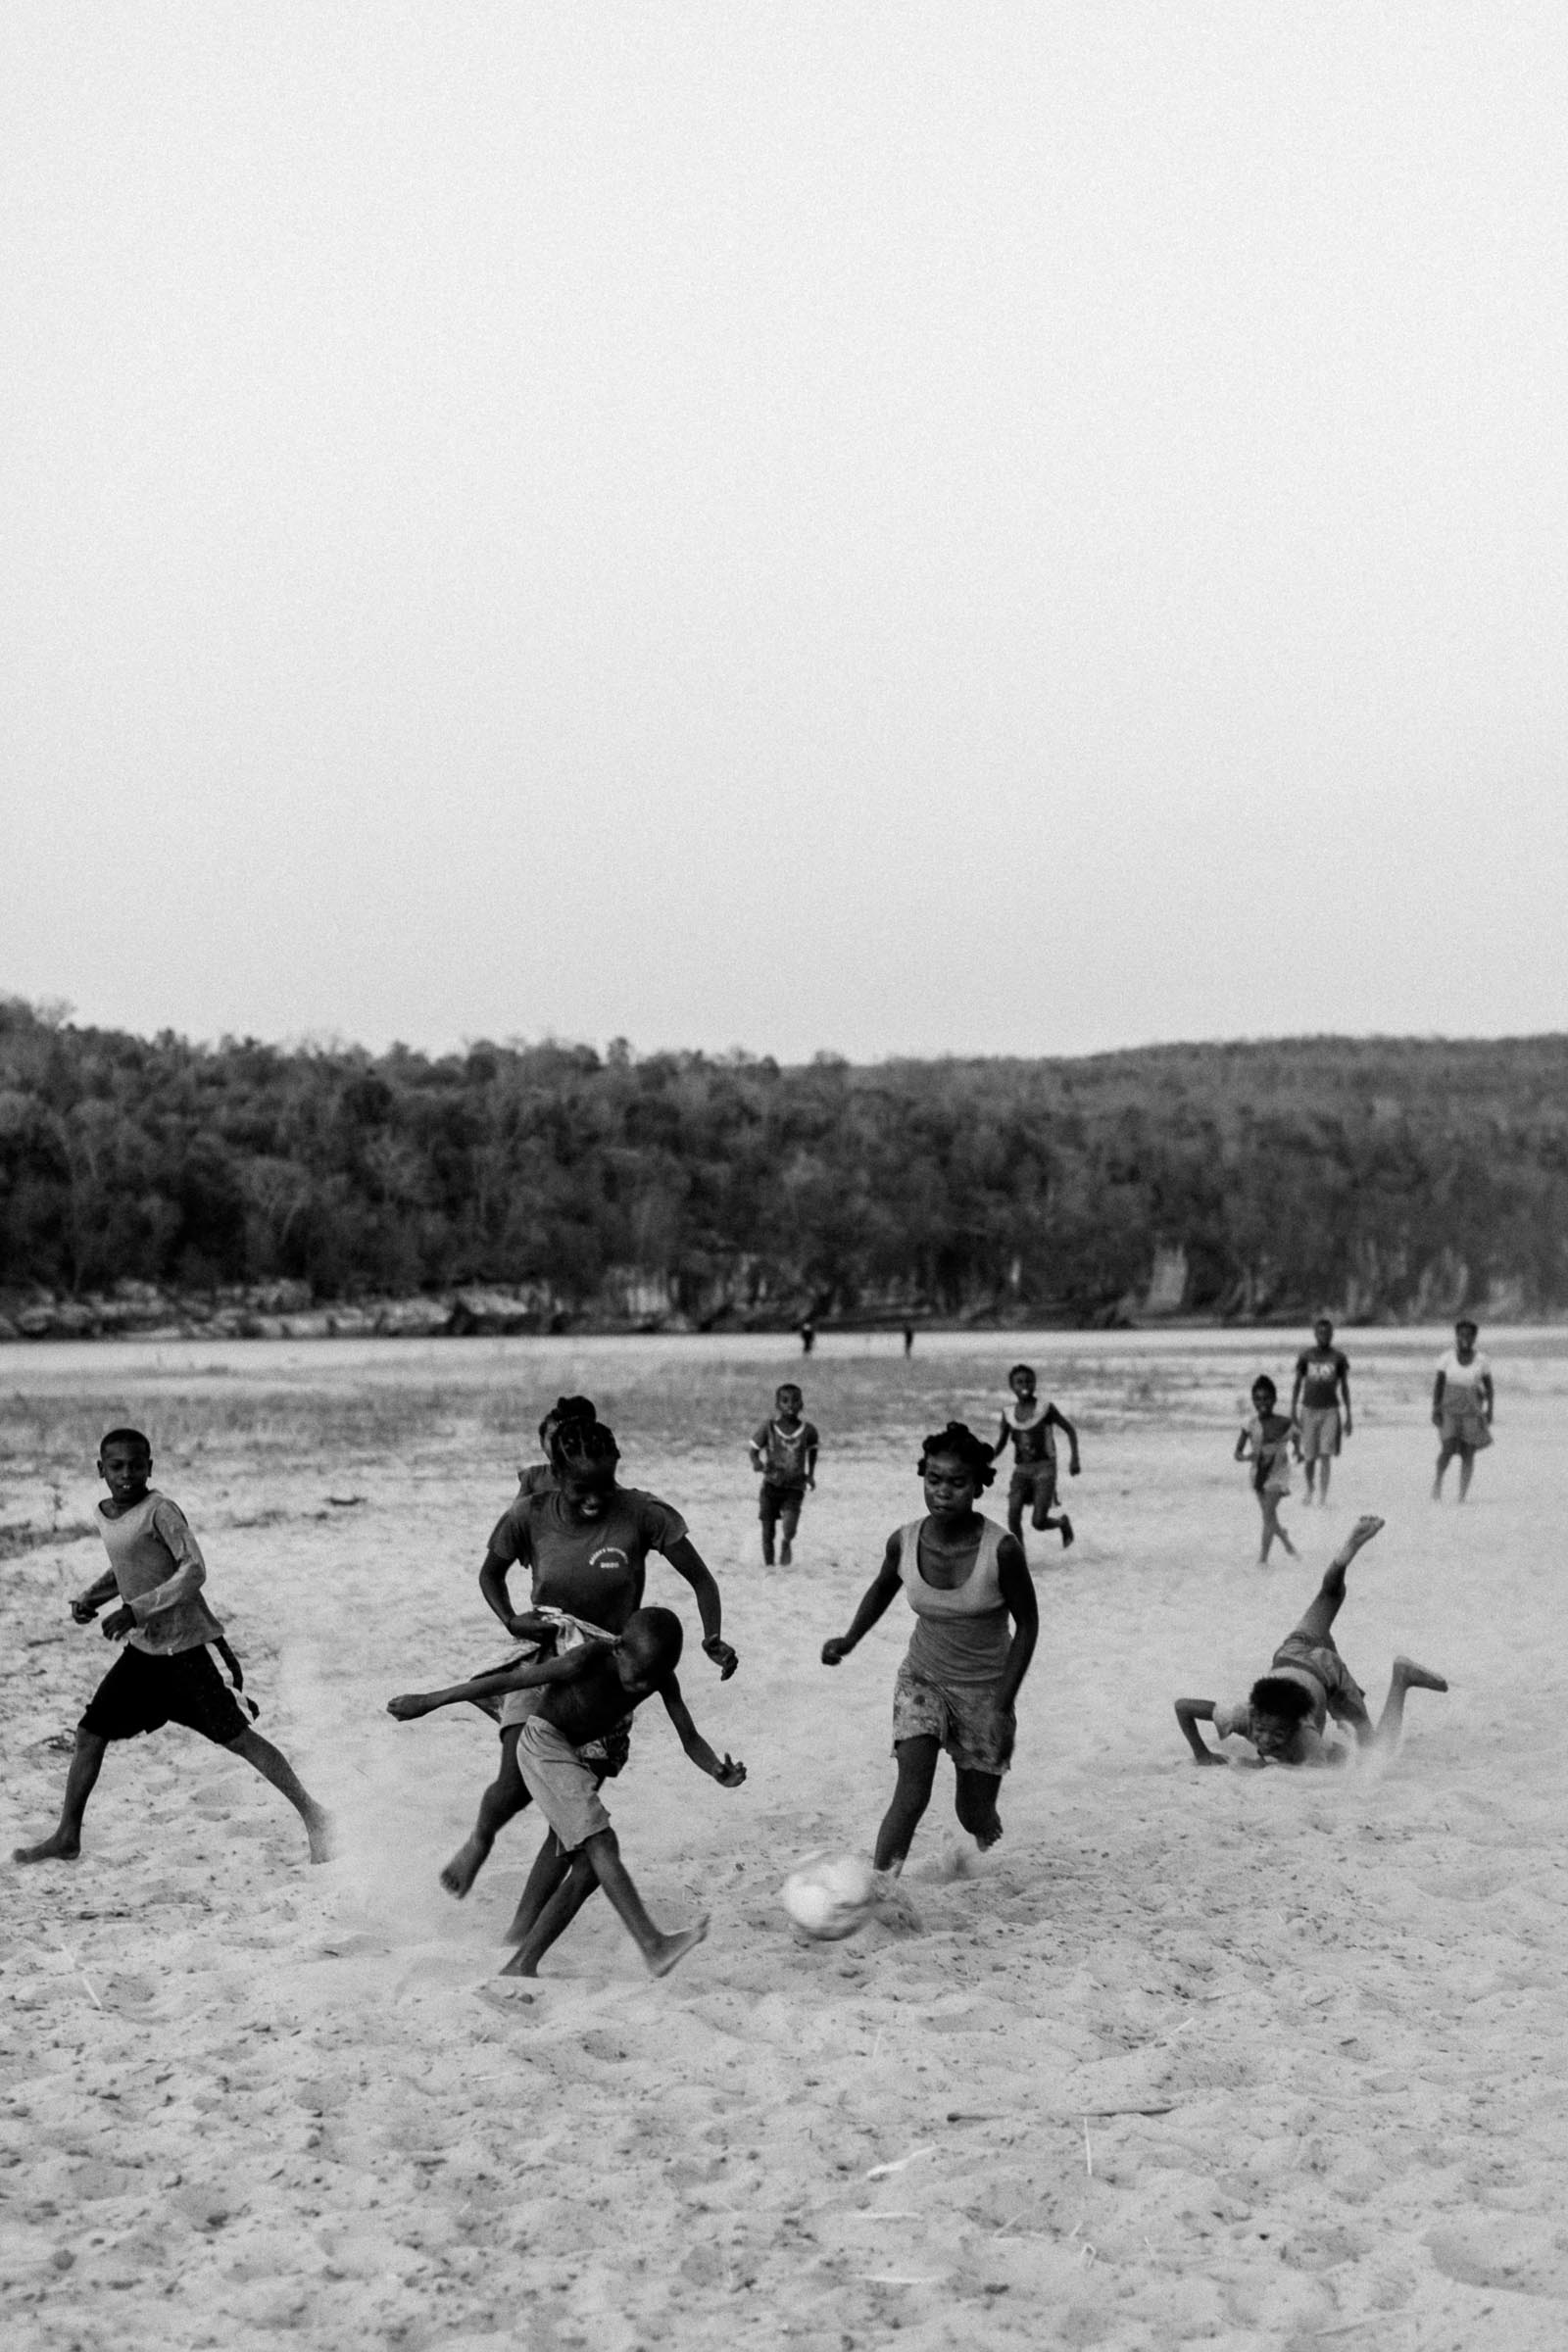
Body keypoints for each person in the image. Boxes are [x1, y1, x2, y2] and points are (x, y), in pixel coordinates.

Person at [395, 1418, 737, 1908]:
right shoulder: (529, 1514)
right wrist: (512, 1620)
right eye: (581, 1489)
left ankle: (523, 1927)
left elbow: (702, 1580)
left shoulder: (643, 1512)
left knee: (571, 1817)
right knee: (514, 1781)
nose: (595, 1500)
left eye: (605, 1486)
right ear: (555, 1473)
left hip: (612, 1669)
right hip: (545, 1653)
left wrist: (713, 1637)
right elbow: (490, 1574)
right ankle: (481, 1838)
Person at [13, 1429, 331, 1867]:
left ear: (150, 1467)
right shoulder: (106, 1512)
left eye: (136, 1465)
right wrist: (91, 1598)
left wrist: (136, 1610)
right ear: (100, 1469)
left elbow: (193, 1569)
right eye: (117, 1466)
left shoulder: (161, 1510)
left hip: (184, 1653)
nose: (127, 1475)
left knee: (239, 1739)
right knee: (90, 1734)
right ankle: (67, 1836)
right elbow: (129, 1564)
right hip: (144, 1655)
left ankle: (316, 1817)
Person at [468, 1607, 745, 1980]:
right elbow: (510, 1683)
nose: (642, 1687)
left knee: (588, 1868)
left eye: (653, 1680)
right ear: (619, 1649)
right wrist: (431, 1701)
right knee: (601, 1846)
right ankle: (653, 1945)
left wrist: (716, 1769)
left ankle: (522, 1963)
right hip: (542, 1747)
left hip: (568, 1752)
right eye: (638, 1677)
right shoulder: (586, 1659)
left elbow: (689, 1737)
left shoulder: (655, 1674)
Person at [820, 1421, 1038, 1873]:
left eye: (957, 1483)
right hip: (922, 1680)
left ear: (979, 1486)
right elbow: (882, 1587)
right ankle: (881, 1888)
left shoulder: (1003, 1550)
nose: (942, 1492)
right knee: (911, 1793)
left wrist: (1002, 1706)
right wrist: (850, 1638)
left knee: (972, 1813)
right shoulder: (904, 1540)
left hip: (986, 1692)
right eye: (933, 1480)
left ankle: (984, 1824)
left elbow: (1029, 1625)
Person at [1174, 1514, 1446, 1766]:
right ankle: (1343, 1557)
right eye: (1260, 1731)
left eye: (1278, 1734)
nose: (1265, 1740)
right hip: (1294, 1653)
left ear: (1297, 1727)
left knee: (1376, 1752)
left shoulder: (1307, 1740)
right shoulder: (1242, 1715)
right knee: (1329, 1596)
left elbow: (1348, 1766)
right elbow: (1183, 1707)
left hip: (1326, 1672)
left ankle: (1402, 1677)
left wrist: (1261, 1767)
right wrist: (1202, 1753)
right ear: (1252, 1715)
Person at [993, 1364, 1079, 1551]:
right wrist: (986, 1462)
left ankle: (1062, 1523)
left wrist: (1074, 1459)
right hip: (1022, 1470)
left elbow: (1070, 1430)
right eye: (1019, 1382)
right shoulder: (1008, 1414)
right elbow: (1001, 1443)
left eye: (1029, 1381)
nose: (1025, 1385)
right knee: (1013, 1514)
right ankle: (1020, 1555)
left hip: (1045, 1468)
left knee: (1038, 1522)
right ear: (1012, 1386)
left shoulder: (1045, 1408)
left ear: (1035, 1384)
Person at [748, 1384, 819, 1565]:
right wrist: (756, 1462)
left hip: (794, 1487)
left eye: (795, 1401)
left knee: (790, 1527)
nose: (790, 1405)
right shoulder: (769, 1428)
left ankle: (786, 1542)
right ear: (777, 1404)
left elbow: (812, 1452)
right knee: (768, 1531)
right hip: (771, 1486)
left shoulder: (808, 1431)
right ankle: (769, 1566)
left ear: (801, 1404)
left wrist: (810, 1475)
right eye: (785, 1401)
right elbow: (753, 1450)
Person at [1236, 1376, 1299, 1564]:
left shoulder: (1284, 1422)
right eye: (1257, 1399)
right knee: (1268, 1516)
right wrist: (1247, 1457)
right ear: (1253, 1401)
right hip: (1258, 1474)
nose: (1262, 1403)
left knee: (1268, 1516)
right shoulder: (1250, 1424)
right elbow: (1237, 1453)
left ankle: (1263, 1560)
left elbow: (1296, 1437)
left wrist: (1297, 1451)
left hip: (1278, 1474)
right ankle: (1286, 1539)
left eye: (1266, 1398)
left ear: (1274, 1399)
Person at [1291, 1320, 1352, 1504]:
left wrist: (1349, 1415)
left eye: (1327, 1333)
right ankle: (1310, 1488)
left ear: (1332, 1335)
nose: (1324, 1336)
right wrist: (1293, 1410)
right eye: (1320, 1333)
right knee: (1309, 1456)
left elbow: (1345, 1388)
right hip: (1308, 1409)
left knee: (1326, 1454)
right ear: (1315, 1334)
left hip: (1330, 1411)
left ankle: (1323, 1497)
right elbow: (1297, 1384)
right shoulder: (1306, 1357)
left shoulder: (1338, 1358)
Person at [1432, 1320, 1494, 1502]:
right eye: (1461, 1335)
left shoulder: (1482, 1360)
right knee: (1448, 1448)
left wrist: (1489, 1411)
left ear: (1475, 1337)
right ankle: (1438, 1481)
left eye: (1469, 1335)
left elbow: (1489, 1388)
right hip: (1449, 1409)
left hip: (1472, 1411)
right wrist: (1435, 1409)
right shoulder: (1446, 1358)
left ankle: (1462, 1495)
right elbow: (1439, 1385)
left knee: (1468, 1452)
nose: (1465, 1338)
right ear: (1456, 1336)